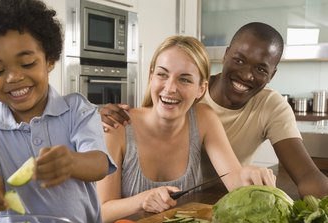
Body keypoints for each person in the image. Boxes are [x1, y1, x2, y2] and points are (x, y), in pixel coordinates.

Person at [100, 22, 328, 199]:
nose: (246, 75)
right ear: (226, 55)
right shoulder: (172, 102)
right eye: (239, 60)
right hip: (169, 210)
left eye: (260, 68)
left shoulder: (208, 115)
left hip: (218, 203)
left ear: (201, 88)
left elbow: (302, 174)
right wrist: (94, 117)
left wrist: (249, 175)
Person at [0, 0, 116, 223]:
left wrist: (71, 162)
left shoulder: (76, 110)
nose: (13, 77)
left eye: (28, 63)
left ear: (49, 61)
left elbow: (99, 163)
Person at [97, 35, 276, 223]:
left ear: (201, 88)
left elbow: (234, 181)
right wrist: (142, 201)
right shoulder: (117, 126)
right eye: (162, 74)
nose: (170, 88)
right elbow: (102, 211)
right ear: (151, 76)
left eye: (184, 79)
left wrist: (248, 175)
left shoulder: (204, 118)